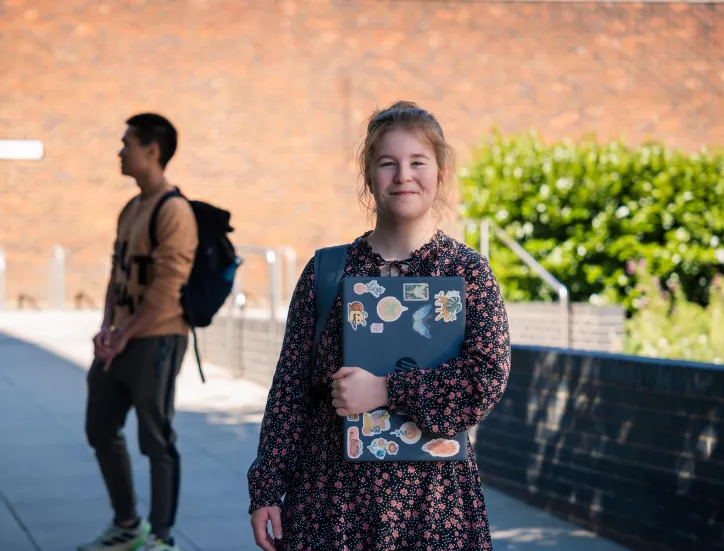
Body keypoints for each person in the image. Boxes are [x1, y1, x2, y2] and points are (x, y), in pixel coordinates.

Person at [247, 101, 512, 550]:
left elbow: (485, 379)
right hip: (331, 503)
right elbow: (291, 387)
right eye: (387, 163)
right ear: (368, 175)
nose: (403, 175)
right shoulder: (328, 271)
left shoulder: (467, 273)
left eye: (417, 162)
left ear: (440, 173)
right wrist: (267, 488)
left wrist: (388, 390)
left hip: (432, 506)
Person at [80, 113, 198, 551]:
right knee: (100, 427)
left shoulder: (174, 210)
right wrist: (107, 328)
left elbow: (168, 289)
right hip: (124, 337)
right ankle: (128, 524)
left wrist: (125, 334)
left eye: (126, 143)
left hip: (159, 339)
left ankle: (161, 538)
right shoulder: (131, 209)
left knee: (156, 438)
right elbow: (117, 275)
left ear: (152, 151)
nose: (119, 151)